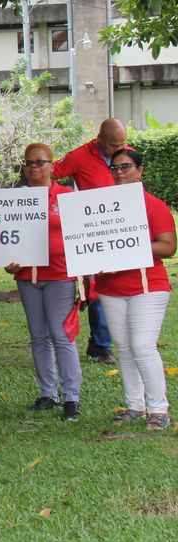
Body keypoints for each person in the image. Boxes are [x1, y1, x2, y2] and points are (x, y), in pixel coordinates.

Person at [98, 148, 176, 430]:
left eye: (126, 167)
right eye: (115, 168)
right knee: (124, 348)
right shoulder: (99, 206)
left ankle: (159, 409)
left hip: (147, 286)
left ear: (140, 171)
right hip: (110, 287)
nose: (119, 172)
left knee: (142, 345)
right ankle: (135, 405)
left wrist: (126, 247)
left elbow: (168, 246)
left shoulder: (153, 205)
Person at [3, 144, 81, 421]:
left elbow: (81, 237)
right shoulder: (16, 199)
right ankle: (48, 393)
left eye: (40, 162)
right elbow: (6, 236)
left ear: (52, 165)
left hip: (59, 275)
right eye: (29, 163)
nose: (34, 167)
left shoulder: (67, 197)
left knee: (61, 336)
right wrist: (7, 259)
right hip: (27, 278)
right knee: (38, 336)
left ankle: (72, 397)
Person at [53, 119, 129, 365]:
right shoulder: (79, 156)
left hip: (121, 227)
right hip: (93, 229)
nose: (117, 148)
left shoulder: (126, 153)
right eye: (112, 144)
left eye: (121, 143)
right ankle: (101, 345)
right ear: (99, 138)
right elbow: (51, 173)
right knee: (98, 287)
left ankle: (104, 342)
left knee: (120, 284)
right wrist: (65, 203)